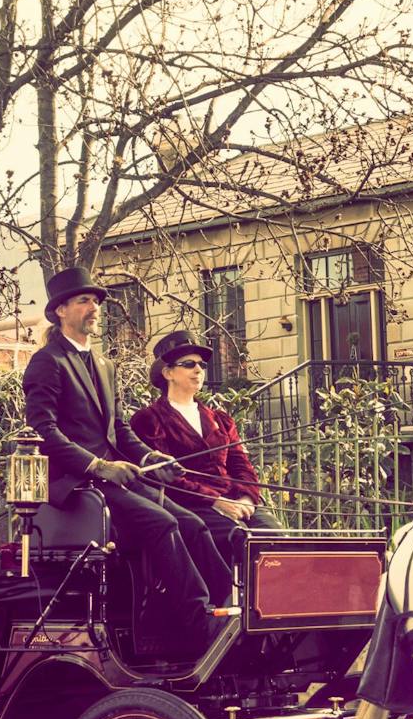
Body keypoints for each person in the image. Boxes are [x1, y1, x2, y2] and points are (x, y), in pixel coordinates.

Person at [22, 266, 234, 654]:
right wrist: (98, 466)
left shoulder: (105, 365)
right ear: (60, 311)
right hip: (78, 485)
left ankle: (227, 609)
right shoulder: (46, 362)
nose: (95, 308)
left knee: (195, 524)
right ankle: (196, 620)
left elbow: (119, 429)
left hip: (116, 478)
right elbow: (44, 432)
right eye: (85, 300)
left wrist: (152, 456)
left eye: (97, 301)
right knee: (164, 522)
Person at [130, 329, 279, 569]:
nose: (198, 370)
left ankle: (270, 606)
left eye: (201, 364)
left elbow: (241, 464)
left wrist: (246, 498)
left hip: (235, 500)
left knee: (277, 538)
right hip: (192, 505)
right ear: (167, 372)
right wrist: (216, 501)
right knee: (240, 538)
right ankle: (225, 604)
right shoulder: (149, 419)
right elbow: (165, 478)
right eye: (188, 364)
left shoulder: (220, 419)